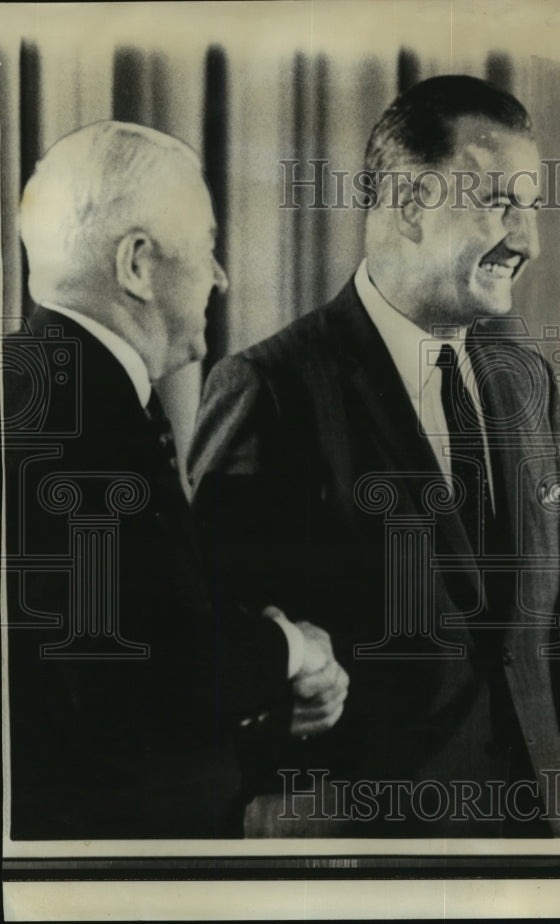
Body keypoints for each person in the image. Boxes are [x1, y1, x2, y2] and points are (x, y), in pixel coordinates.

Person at [188, 75, 560, 836]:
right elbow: (218, 659)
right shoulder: (271, 390)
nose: (529, 241)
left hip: (538, 860)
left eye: (532, 208)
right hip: (362, 869)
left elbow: (556, 652)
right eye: (500, 203)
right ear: (410, 204)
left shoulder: (529, 384)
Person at [3, 121, 348, 839]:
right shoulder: (77, 421)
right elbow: (130, 673)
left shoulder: (42, 388)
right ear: (136, 264)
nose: (220, 277)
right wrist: (291, 649)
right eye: (209, 248)